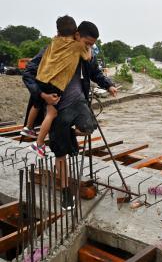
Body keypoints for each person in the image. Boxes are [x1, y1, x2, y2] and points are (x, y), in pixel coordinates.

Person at [23, 20, 117, 210]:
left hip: (78, 102)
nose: (90, 47)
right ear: (77, 35)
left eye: (92, 44)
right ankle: (66, 191)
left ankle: (66, 137)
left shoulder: (85, 53)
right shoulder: (52, 50)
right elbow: (28, 73)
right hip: (56, 108)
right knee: (60, 153)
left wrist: (109, 84)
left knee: (89, 127)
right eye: (88, 43)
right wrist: (43, 95)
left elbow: (96, 72)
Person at [21, 15, 93, 158]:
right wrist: (88, 47)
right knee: (51, 114)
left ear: (58, 32)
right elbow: (88, 57)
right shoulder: (77, 46)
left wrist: (41, 94)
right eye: (89, 42)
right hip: (55, 85)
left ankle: (28, 128)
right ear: (76, 34)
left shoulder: (53, 42)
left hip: (42, 79)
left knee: (37, 102)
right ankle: (39, 144)